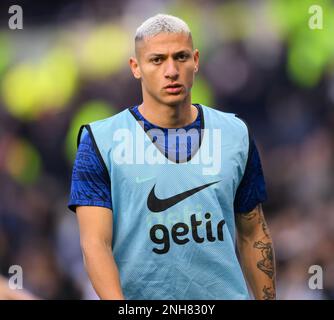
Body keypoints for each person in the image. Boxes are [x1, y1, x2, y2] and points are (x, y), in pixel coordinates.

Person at [68, 14, 276, 300]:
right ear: (136, 67)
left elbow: (253, 233)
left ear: (196, 60)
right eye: (157, 60)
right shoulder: (99, 141)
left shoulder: (234, 133)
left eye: (181, 57)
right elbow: (94, 244)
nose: (171, 70)